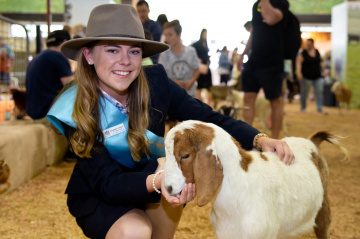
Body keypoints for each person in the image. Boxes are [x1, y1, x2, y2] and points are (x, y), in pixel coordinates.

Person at [46, 4, 294, 239]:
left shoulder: (155, 82)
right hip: (102, 193)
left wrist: (259, 138)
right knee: (136, 231)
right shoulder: (73, 106)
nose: (125, 60)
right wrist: (161, 178)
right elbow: (107, 183)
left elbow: (208, 118)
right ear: (88, 55)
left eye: (134, 51)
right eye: (112, 50)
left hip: (154, 180)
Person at [237, 0, 289, 139]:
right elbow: (254, 31)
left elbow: (271, 18)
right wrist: (243, 54)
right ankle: (246, 137)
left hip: (272, 61)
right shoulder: (256, 5)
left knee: (275, 101)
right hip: (254, 60)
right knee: (248, 98)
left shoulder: (282, 3)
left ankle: (275, 139)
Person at [25, 30, 73, 120]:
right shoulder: (58, 57)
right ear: (64, 42)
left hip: (33, 112)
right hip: (47, 114)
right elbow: (70, 87)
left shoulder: (37, 57)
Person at [158, 20, 200, 98]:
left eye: (170, 35)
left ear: (179, 35)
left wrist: (192, 81)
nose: (167, 39)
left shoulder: (191, 51)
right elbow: (161, 76)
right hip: (172, 97)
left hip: (189, 96)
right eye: (165, 35)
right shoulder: (164, 54)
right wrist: (174, 83)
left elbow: (197, 69)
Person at [296, 38, 326, 114]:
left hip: (317, 76)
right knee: (305, 93)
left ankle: (319, 108)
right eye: (307, 44)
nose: (308, 46)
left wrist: (324, 71)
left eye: (309, 44)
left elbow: (320, 62)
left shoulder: (317, 51)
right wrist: (299, 73)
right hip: (306, 76)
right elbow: (299, 62)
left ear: (312, 44)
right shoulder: (303, 52)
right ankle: (303, 108)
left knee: (319, 91)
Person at [192, 29, 212, 103]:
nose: (205, 36)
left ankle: (207, 104)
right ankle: (200, 103)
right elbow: (191, 50)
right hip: (200, 67)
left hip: (206, 67)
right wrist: (197, 59)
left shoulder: (205, 43)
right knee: (199, 87)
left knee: (208, 87)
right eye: (204, 34)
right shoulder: (197, 44)